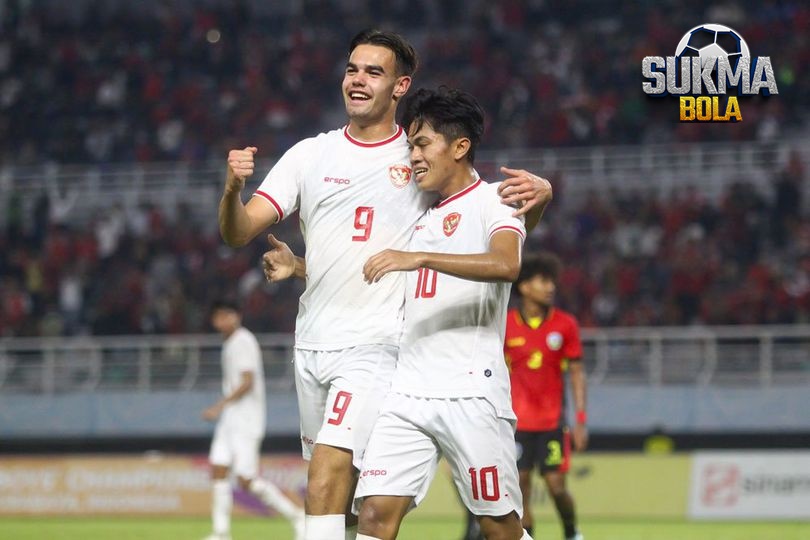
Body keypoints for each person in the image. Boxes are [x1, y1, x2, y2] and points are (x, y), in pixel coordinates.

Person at [220, 28, 550, 539]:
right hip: (335, 353)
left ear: (400, 86)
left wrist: (544, 193)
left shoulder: (427, 165)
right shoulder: (314, 156)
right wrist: (243, 202)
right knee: (359, 510)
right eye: (352, 68)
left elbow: (492, 237)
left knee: (330, 475)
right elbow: (243, 233)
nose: (358, 79)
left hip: (392, 353)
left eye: (373, 71)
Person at [354, 87, 551, 540]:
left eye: (422, 144)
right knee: (374, 516)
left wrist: (418, 257)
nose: (414, 155)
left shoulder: (494, 201)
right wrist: (298, 265)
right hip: (407, 393)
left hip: (470, 392)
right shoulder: (416, 212)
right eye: (410, 146)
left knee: (499, 527)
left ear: (460, 146)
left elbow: (507, 264)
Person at [203, 300, 305, 540]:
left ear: (236, 316)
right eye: (217, 316)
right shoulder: (229, 343)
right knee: (218, 469)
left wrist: (219, 406)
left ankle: (296, 515)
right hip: (230, 418)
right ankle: (221, 532)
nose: (221, 321)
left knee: (246, 479)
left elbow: (247, 381)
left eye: (226, 315)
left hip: (246, 418)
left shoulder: (243, 341)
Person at [506, 254, 587, 540]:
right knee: (521, 487)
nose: (551, 287)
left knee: (556, 486)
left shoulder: (565, 325)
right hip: (517, 424)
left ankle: (571, 531)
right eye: (543, 281)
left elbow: (577, 374)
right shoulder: (505, 325)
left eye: (552, 281)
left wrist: (580, 420)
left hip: (552, 422)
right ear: (525, 287)